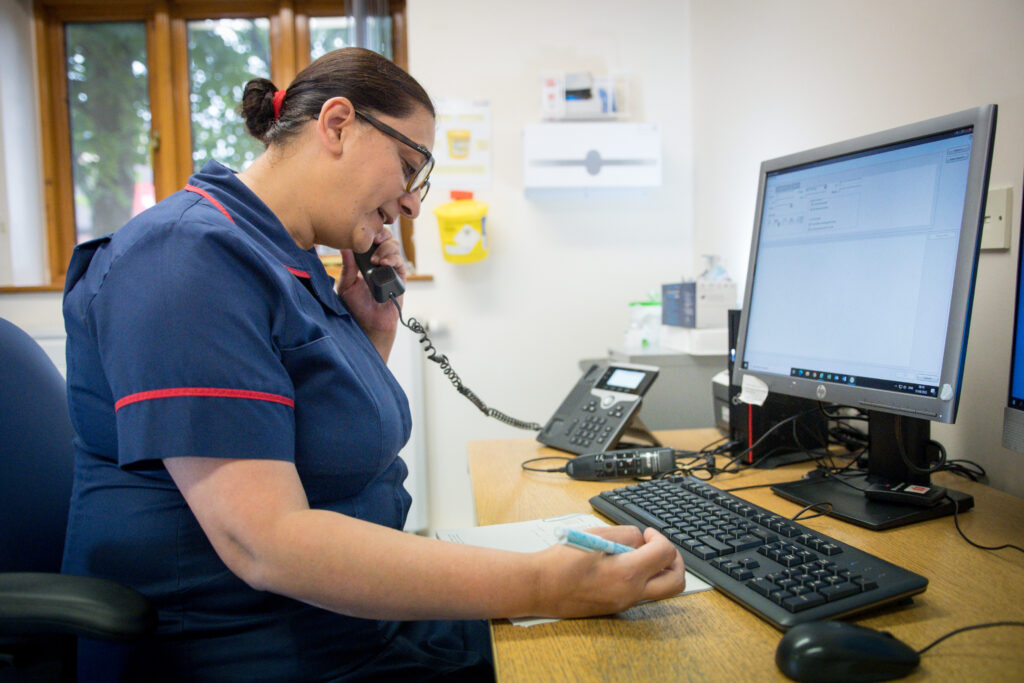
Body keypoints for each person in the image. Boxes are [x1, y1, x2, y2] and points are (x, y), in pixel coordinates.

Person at [60, 47, 686, 682]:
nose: (413, 206)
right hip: (248, 647)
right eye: (410, 169)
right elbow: (263, 542)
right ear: (336, 124)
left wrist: (372, 330)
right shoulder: (185, 259)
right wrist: (544, 586)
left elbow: (333, 448)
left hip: (343, 624)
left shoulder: (290, 258)